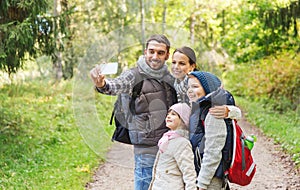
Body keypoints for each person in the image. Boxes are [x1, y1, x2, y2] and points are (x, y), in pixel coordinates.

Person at [90, 34, 178, 190]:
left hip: (169, 140)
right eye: (151, 51)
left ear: (167, 55)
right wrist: (102, 84)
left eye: (160, 53)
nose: (155, 56)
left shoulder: (170, 77)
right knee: (145, 181)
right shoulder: (133, 75)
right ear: (145, 52)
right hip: (146, 142)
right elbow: (115, 85)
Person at [187, 71, 236, 190]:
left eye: (195, 87)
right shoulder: (199, 109)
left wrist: (202, 183)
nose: (189, 90)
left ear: (208, 89)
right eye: (188, 87)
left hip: (210, 178)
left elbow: (213, 152)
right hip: (202, 173)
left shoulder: (213, 113)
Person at [171, 46, 241, 119]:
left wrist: (229, 111)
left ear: (192, 66)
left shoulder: (202, 82)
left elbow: (235, 110)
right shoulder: (172, 86)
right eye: (173, 62)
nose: (176, 67)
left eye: (182, 63)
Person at [149, 103, 197, 190]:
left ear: (183, 119)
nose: (168, 116)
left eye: (173, 114)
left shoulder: (182, 143)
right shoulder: (166, 138)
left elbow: (189, 172)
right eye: (168, 114)